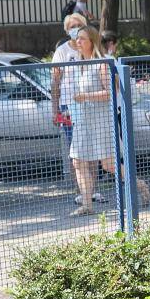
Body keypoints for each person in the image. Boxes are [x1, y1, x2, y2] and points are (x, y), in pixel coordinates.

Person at [64, 25, 150, 216]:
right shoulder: (79, 65)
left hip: (101, 120)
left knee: (109, 165)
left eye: (83, 39)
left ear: (92, 42)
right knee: (78, 161)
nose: (78, 42)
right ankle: (87, 204)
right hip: (84, 119)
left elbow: (112, 91)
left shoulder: (101, 63)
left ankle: (140, 184)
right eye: (77, 39)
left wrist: (85, 96)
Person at [49, 14, 100, 205]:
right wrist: (55, 109)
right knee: (76, 152)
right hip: (68, 107)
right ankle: (81, 191)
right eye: (72, 26)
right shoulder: (62, 52)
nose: (75, 29)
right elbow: (55, 81)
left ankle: (93, 191)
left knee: (93, 150)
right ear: (66, 30)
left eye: (79, 26)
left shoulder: (89, 50)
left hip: (90, 105)